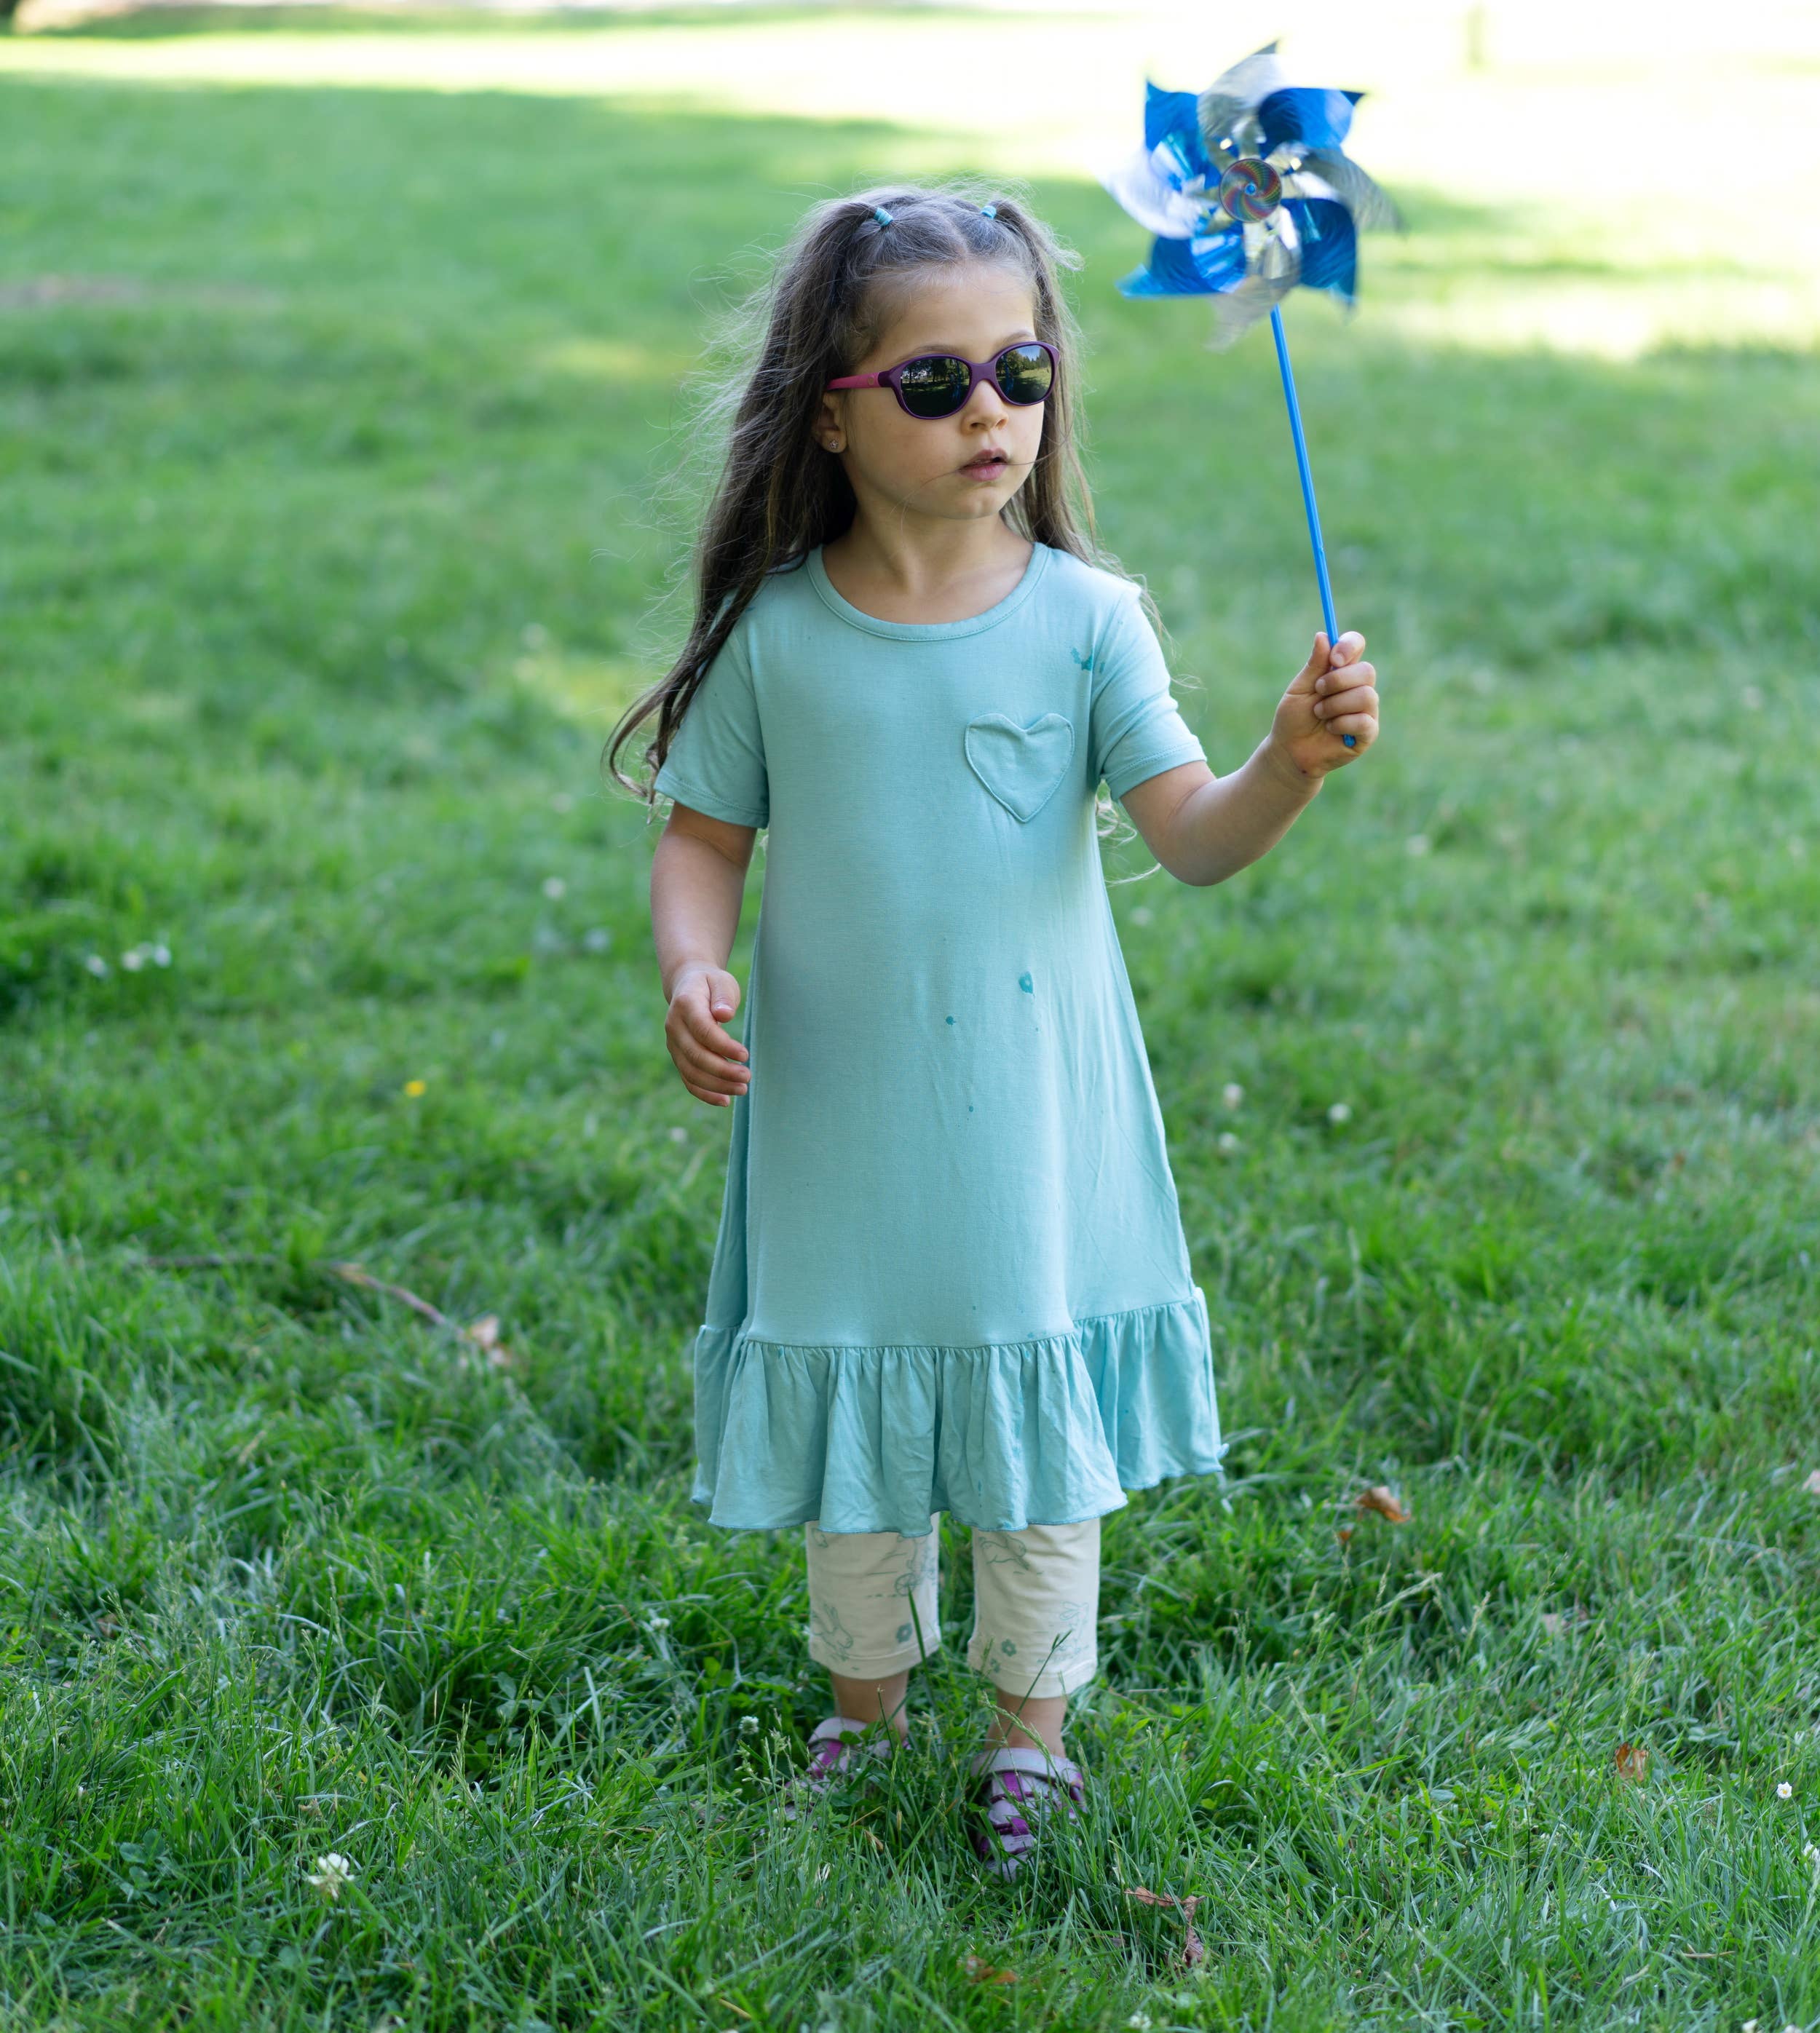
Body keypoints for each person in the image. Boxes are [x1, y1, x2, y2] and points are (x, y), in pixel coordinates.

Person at [609, 185, 1380, 1877]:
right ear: (831, 409)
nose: (991, 411)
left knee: (1034, 1429)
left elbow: (1192, 836)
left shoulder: (1084, 619)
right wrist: (688, 966)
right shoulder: (780, 632)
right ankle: (863, 1710)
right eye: (934, 380)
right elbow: (701, 839)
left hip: (1030, 1113)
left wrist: (1283, 764)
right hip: (841, 1108)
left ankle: (1029, 1738)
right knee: (856, 1405)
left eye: (1021, 371)